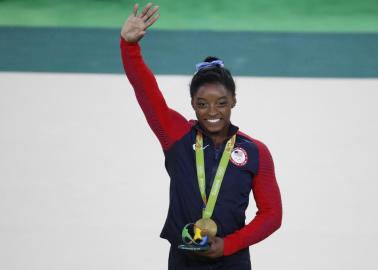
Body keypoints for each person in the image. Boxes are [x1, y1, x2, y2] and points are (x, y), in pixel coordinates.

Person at [120, 3, 282, 269]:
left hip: (233, 261)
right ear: (193, 104)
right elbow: (145, 90)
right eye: (202, 103)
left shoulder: (255, 151)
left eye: (221, 102)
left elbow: (272, 215)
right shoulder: (177, 137)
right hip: (183, 261)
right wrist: (129, 47)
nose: (212, 112)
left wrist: (227, 246)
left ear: (233, 101)